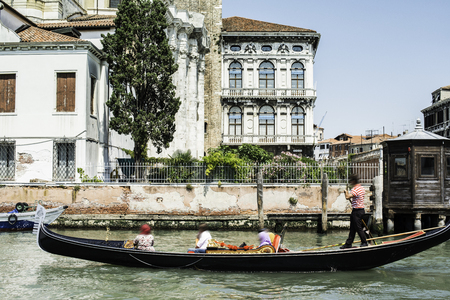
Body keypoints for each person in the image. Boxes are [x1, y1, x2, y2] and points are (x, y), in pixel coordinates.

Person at [340, 174, 368, 249]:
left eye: (351, 181)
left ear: (354, 181)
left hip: (357, 211)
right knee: (353, 227)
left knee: (358, 228)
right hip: (360, 210)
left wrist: (346, 192)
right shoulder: (362, 188)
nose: (350, 183)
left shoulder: (355, 189)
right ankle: (348, 243)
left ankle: (364, 242)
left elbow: (347, 197)